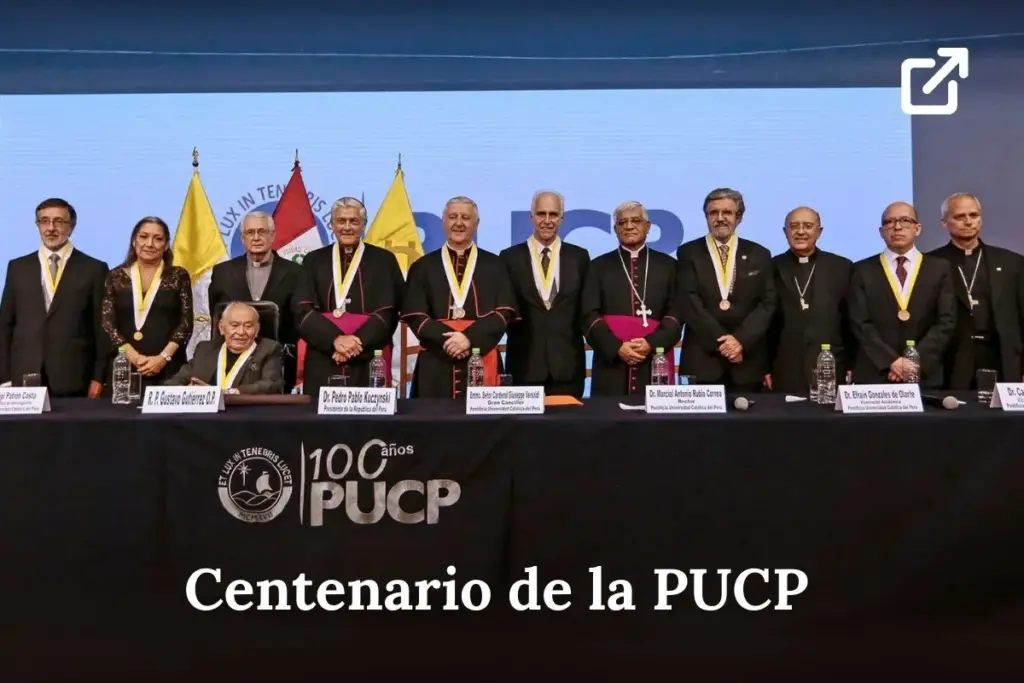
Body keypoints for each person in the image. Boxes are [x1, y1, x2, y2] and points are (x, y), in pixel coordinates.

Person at [401, 196, 516, 398]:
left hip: (482, 356)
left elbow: (504, 312)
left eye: (466, 217)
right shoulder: (423, 266)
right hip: (435, 361)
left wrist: (469, 338)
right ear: (443, 221)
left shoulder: (495, 265)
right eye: (453, 217)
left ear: (476, 223)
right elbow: (415, 315)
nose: (459, 223)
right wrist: (451, 341)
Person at [0, 198, 108, 397]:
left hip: (74, 378)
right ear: (38, 225)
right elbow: (4, 326)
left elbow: (101, 329)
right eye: (44, 221)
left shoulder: (94, 269)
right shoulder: (17, 267)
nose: (51, 228)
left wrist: (99, 377)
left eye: (58, 221)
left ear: (72, 226)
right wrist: (4, 377)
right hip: (22, 378)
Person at [298, 197, 404, 394]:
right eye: (341, 221)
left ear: (363, 225)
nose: (347, 227)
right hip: (324, 353)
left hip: (369, 355)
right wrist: (334, 341)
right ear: (332, 224)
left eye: (354, 221)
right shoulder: (313, 260)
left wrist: (355, 343)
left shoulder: (384, 260)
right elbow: (303, 309)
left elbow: (389, 311)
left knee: (368, 413)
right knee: (318, 412)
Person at [676, 188, 775, 391]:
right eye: (714, 212)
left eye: (727, 212)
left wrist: (741, 340)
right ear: (706, 217)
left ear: (739, 217)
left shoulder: (759, 254)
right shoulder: (688, 252)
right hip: (703, 358)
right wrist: (724, 344)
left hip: (747, 359)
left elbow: (768, 303)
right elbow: (689, 302)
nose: (720, 218)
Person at [849, 201, 956, 386]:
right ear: (881, 231)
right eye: (890, 222)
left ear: (918, 228)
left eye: (905, 220)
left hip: (923, 374)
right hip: (876, 374)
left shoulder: (939, 268)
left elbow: (946, 321)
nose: (897, 227)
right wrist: (891, 362)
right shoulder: (861, 270)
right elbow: (859, 322)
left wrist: (913, 362)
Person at [580, 200, 681, 396]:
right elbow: (588, 314)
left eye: (635, 220)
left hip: (654, 359)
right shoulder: (597, 266)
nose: (628, 226)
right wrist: (616, 347)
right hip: (611, 363)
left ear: (648, 226)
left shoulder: (669, 266)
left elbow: (677, 312)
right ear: (615, 229)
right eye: (622, 222)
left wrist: (652, 343)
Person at [927, 193, 1024, 388]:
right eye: (959, 216)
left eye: (973, 215)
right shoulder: (930, 264)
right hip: (951, 361)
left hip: (1001, 357)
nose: (968, 222)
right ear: (944, 223)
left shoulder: (1012, 262)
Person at [500, 190, 590, 397]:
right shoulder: (509, 258)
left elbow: (586, 309)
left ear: (562, 218)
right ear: (531, 217)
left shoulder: (579, 257)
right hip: (524, 366)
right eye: (541, 214)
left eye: (553, 214)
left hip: (568, 368)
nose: (547, 220)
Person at [208, 211, 309, 391]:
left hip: (279, 362)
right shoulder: (223, 272)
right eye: (250, 232)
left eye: (262, 232)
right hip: (231, 362)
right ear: (242, 238)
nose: (256, 238)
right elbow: (216, 315)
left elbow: (300, 318)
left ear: (272, 235)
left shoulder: (295, 273)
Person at [765, 207, 854, 394]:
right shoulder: (771, 267)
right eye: (794, 226)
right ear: (785, 232)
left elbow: (852, 320)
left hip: (831, 365)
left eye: (807, 226)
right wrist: (764, 368)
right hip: (785, 367)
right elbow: (764, 324)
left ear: (819, 232)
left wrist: (852, 364)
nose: (800, 231)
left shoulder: (841, 267)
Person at [101, 216, 193, 391]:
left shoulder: (178, 276)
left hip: (169, 368)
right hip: (124, 368)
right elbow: (107, 324)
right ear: (134, 241)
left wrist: (163, 358)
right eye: (143, 237)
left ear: (166, 245)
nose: (149, 244)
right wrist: (132, 356)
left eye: (158, 239)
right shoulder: (115, 276)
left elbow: (186, 323)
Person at [165, 302, 284, 394]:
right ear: (222, 328)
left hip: (246, 413)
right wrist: (188, 390)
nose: (241, 332)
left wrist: (227, 393)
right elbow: (176, 381)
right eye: (234, 325)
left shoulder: (268, 349)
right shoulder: (205, 349)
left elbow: (272, 384)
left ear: (257, 330)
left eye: (248, 326)